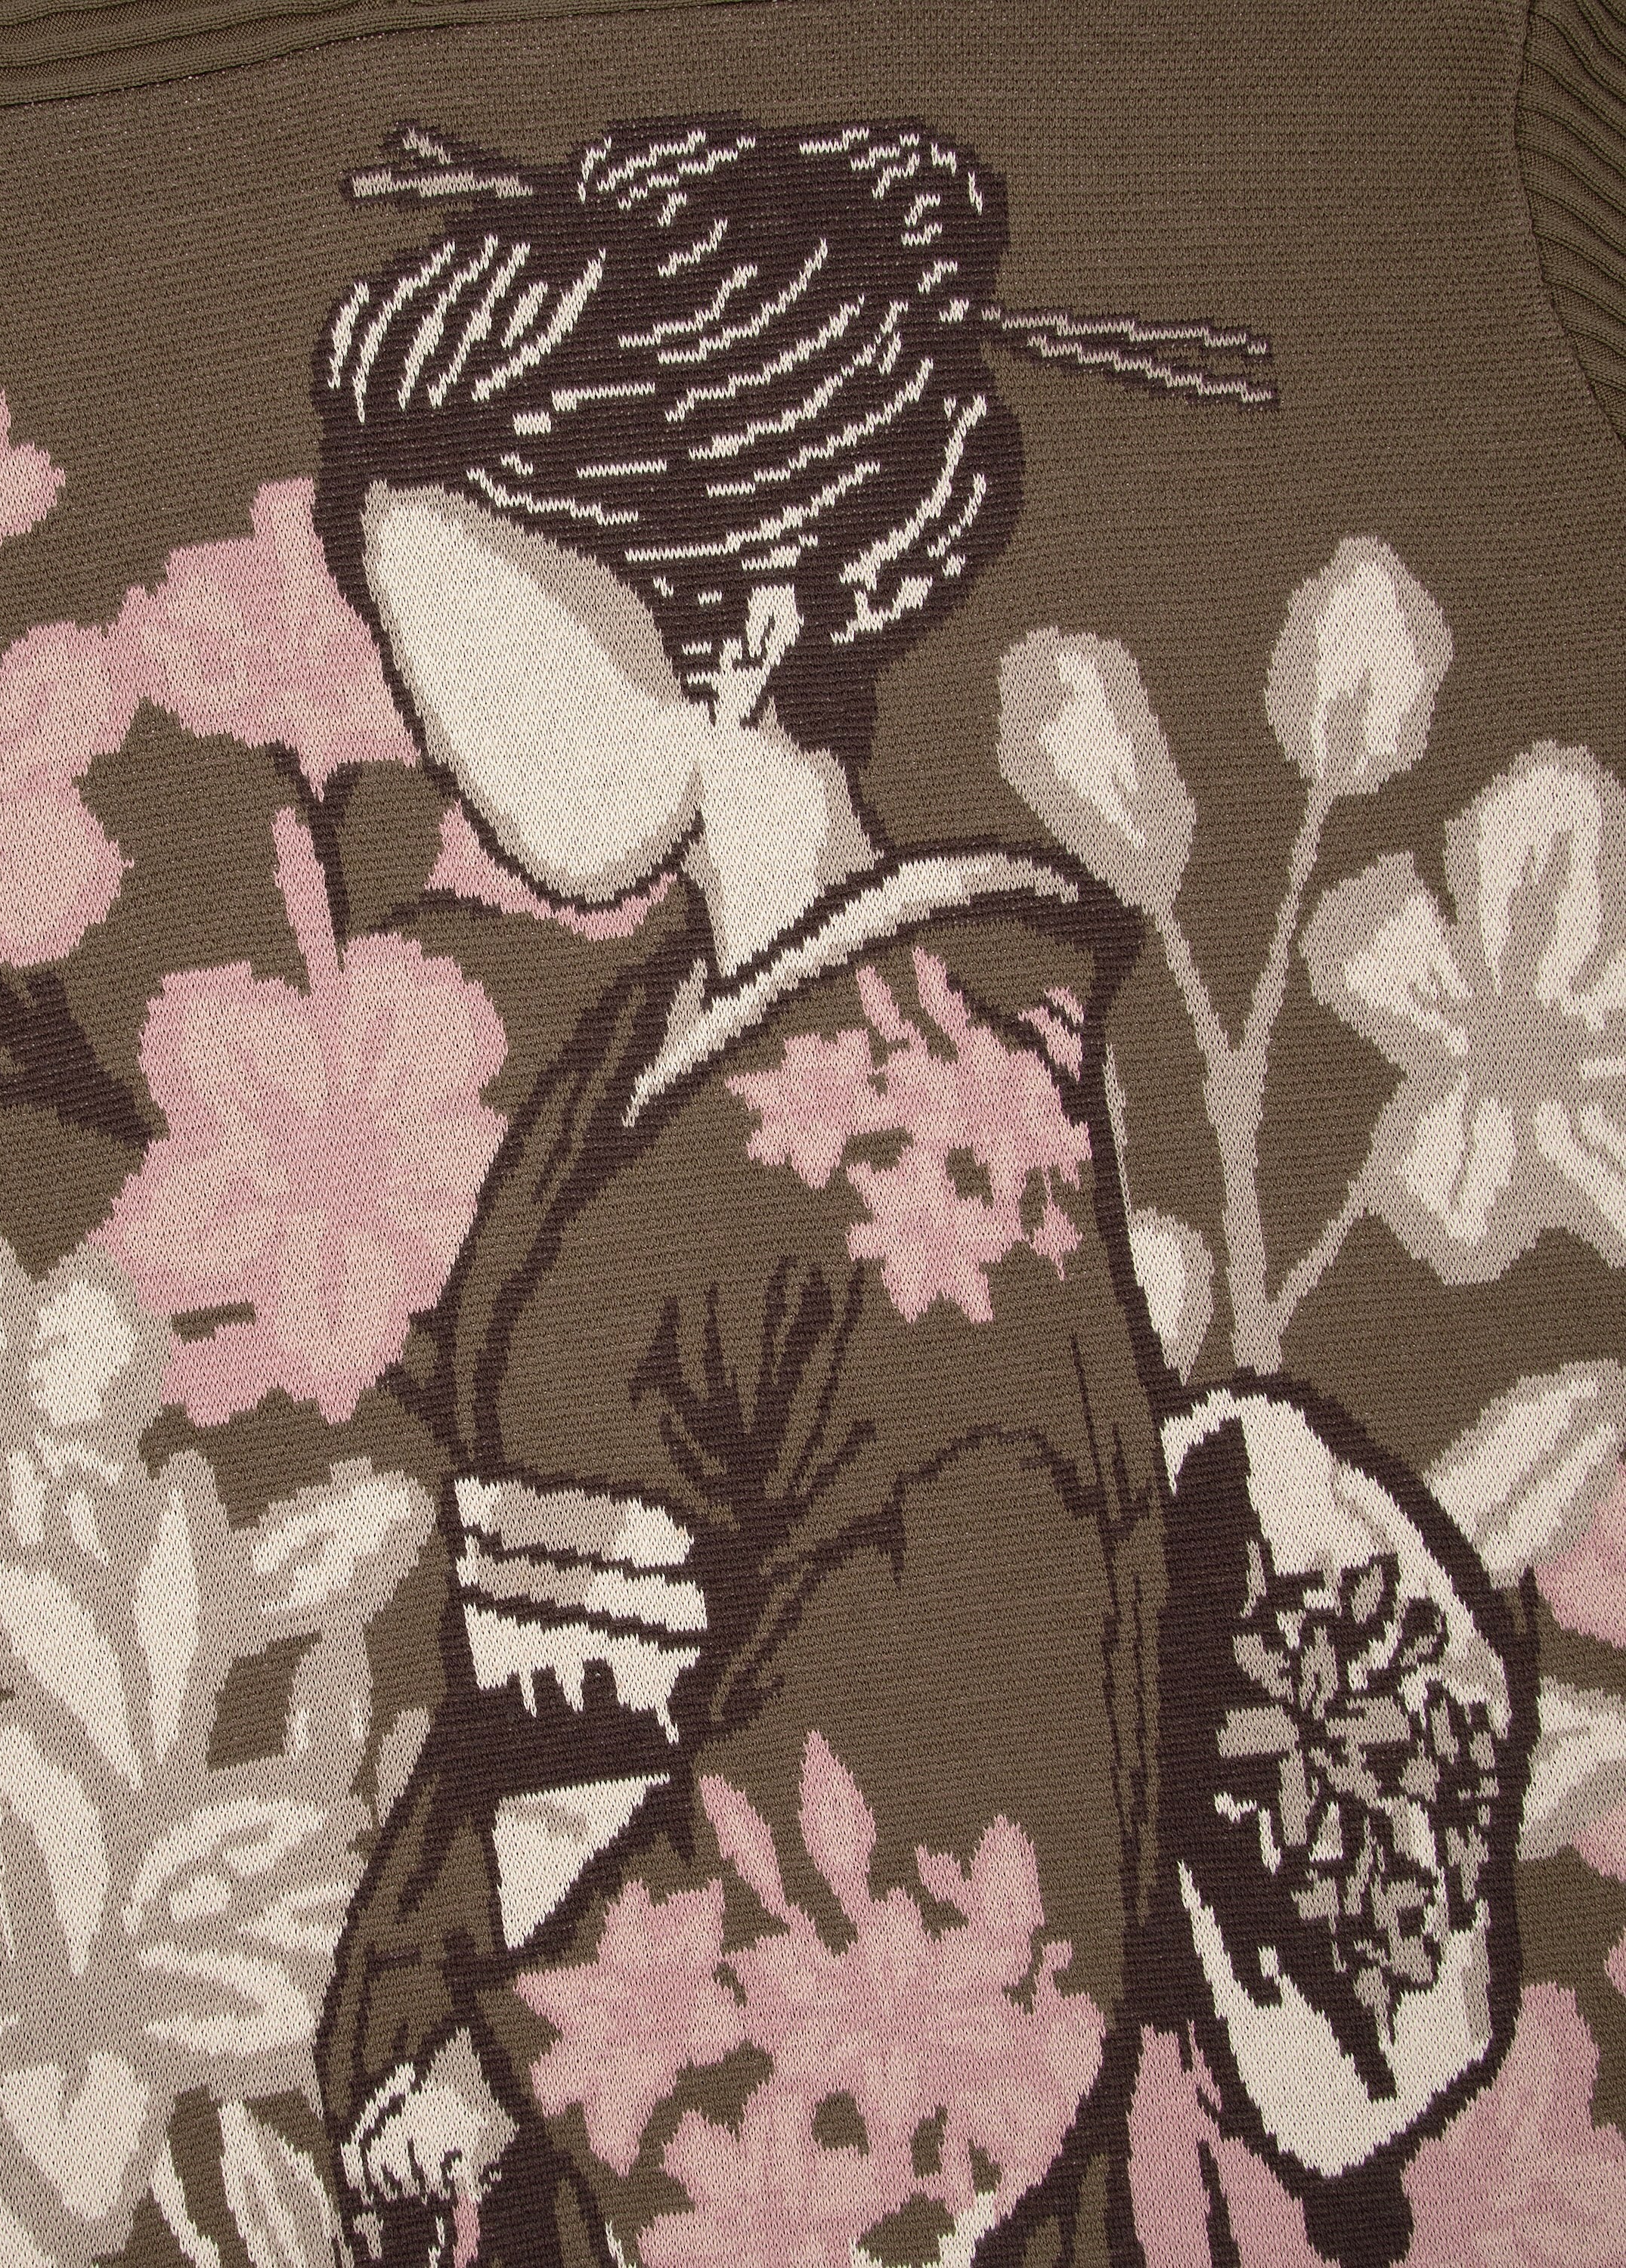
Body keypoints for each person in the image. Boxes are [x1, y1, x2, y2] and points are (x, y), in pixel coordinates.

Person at [308, 119, 1533, 2268]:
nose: (452, 745)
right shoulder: (655, 1056)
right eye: (418, 672)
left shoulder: (940, 1125)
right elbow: (523, 1702)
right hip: (558, 2049)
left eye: (497, 664)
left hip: (763, 2120)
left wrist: (524, 2066)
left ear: (751, 618)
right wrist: (430, 2013)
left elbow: (958, 1742)